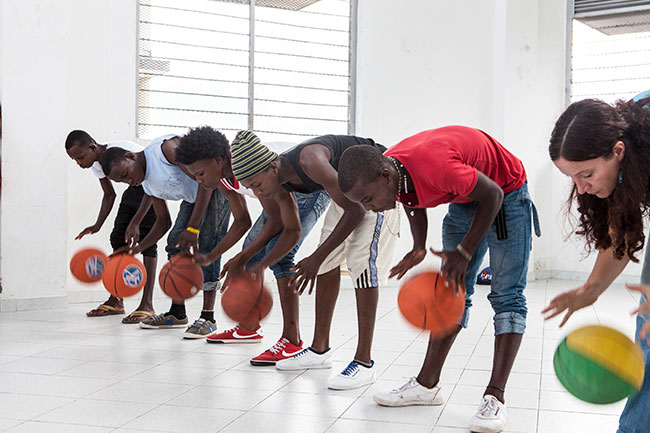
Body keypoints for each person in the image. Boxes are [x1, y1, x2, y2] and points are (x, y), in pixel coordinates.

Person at [338, 125, 539, 433]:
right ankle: (427, 385)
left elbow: (492, 195)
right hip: (465, 198)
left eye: (367, 199)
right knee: (451, 290)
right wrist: (419, 247)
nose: (368, 209)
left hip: (506, 193)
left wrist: (464, 250)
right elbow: (408, 198)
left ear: (385, 178)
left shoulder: (435, 167)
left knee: (507, 295)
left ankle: (495, 396)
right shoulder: (390, 167)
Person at [232, 131, 399, 390]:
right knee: (325, 262)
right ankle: (319, 351)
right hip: (347, 193)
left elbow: (356, 210)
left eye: (257, 183)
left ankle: (364, 362)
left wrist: (314, 257)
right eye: (250, 187)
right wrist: (249, 261)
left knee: (361, 264)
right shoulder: (279, 182)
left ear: (272, 166)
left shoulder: (310, 160)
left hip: (373, 185)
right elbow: (289, 228)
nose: (256, 191)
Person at [542, 95, 650, 433]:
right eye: (573, 178)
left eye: (586, 174)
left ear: (618, 152)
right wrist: (592, 289)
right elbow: (620, 233)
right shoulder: (626, 147)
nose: (582, 188)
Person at [173, 127, 330, 346]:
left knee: (280, 255)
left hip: (309, 185)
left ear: (217, 161)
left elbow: (276, 221)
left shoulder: (246, 167)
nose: (198, 181)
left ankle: (291, 340)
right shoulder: (224, 178)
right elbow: (242, 221)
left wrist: (241, 257)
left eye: (200, 174)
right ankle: (248, 328)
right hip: (280, 193)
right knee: (250, 250)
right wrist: (213, 256)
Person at [100, 133, 234, 338]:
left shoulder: (164, 151)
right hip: (194, 199)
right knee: (174, 243)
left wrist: (193, 228)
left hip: (216, 188)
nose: (129, 181)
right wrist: (136, 249)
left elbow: (204, 180)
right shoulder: (146, 183)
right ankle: (178, 312)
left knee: (207, 246)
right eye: (123, 181)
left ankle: (208, 317)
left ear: (131, 156)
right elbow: (163, 223)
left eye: (126, 174)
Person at [65, 130, 157, 323]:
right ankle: (116, 298)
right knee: (118, 238)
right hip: (132, 191)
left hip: (151, 193)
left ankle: (147, 304)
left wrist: (136, 221)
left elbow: (152, 181)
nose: (79, 163)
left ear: (92, 147)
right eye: (75, 160)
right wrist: (97, 225)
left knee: (148, 242)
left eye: (80, 157)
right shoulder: (97, 166)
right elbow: (109, 194)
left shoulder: (122, 149)